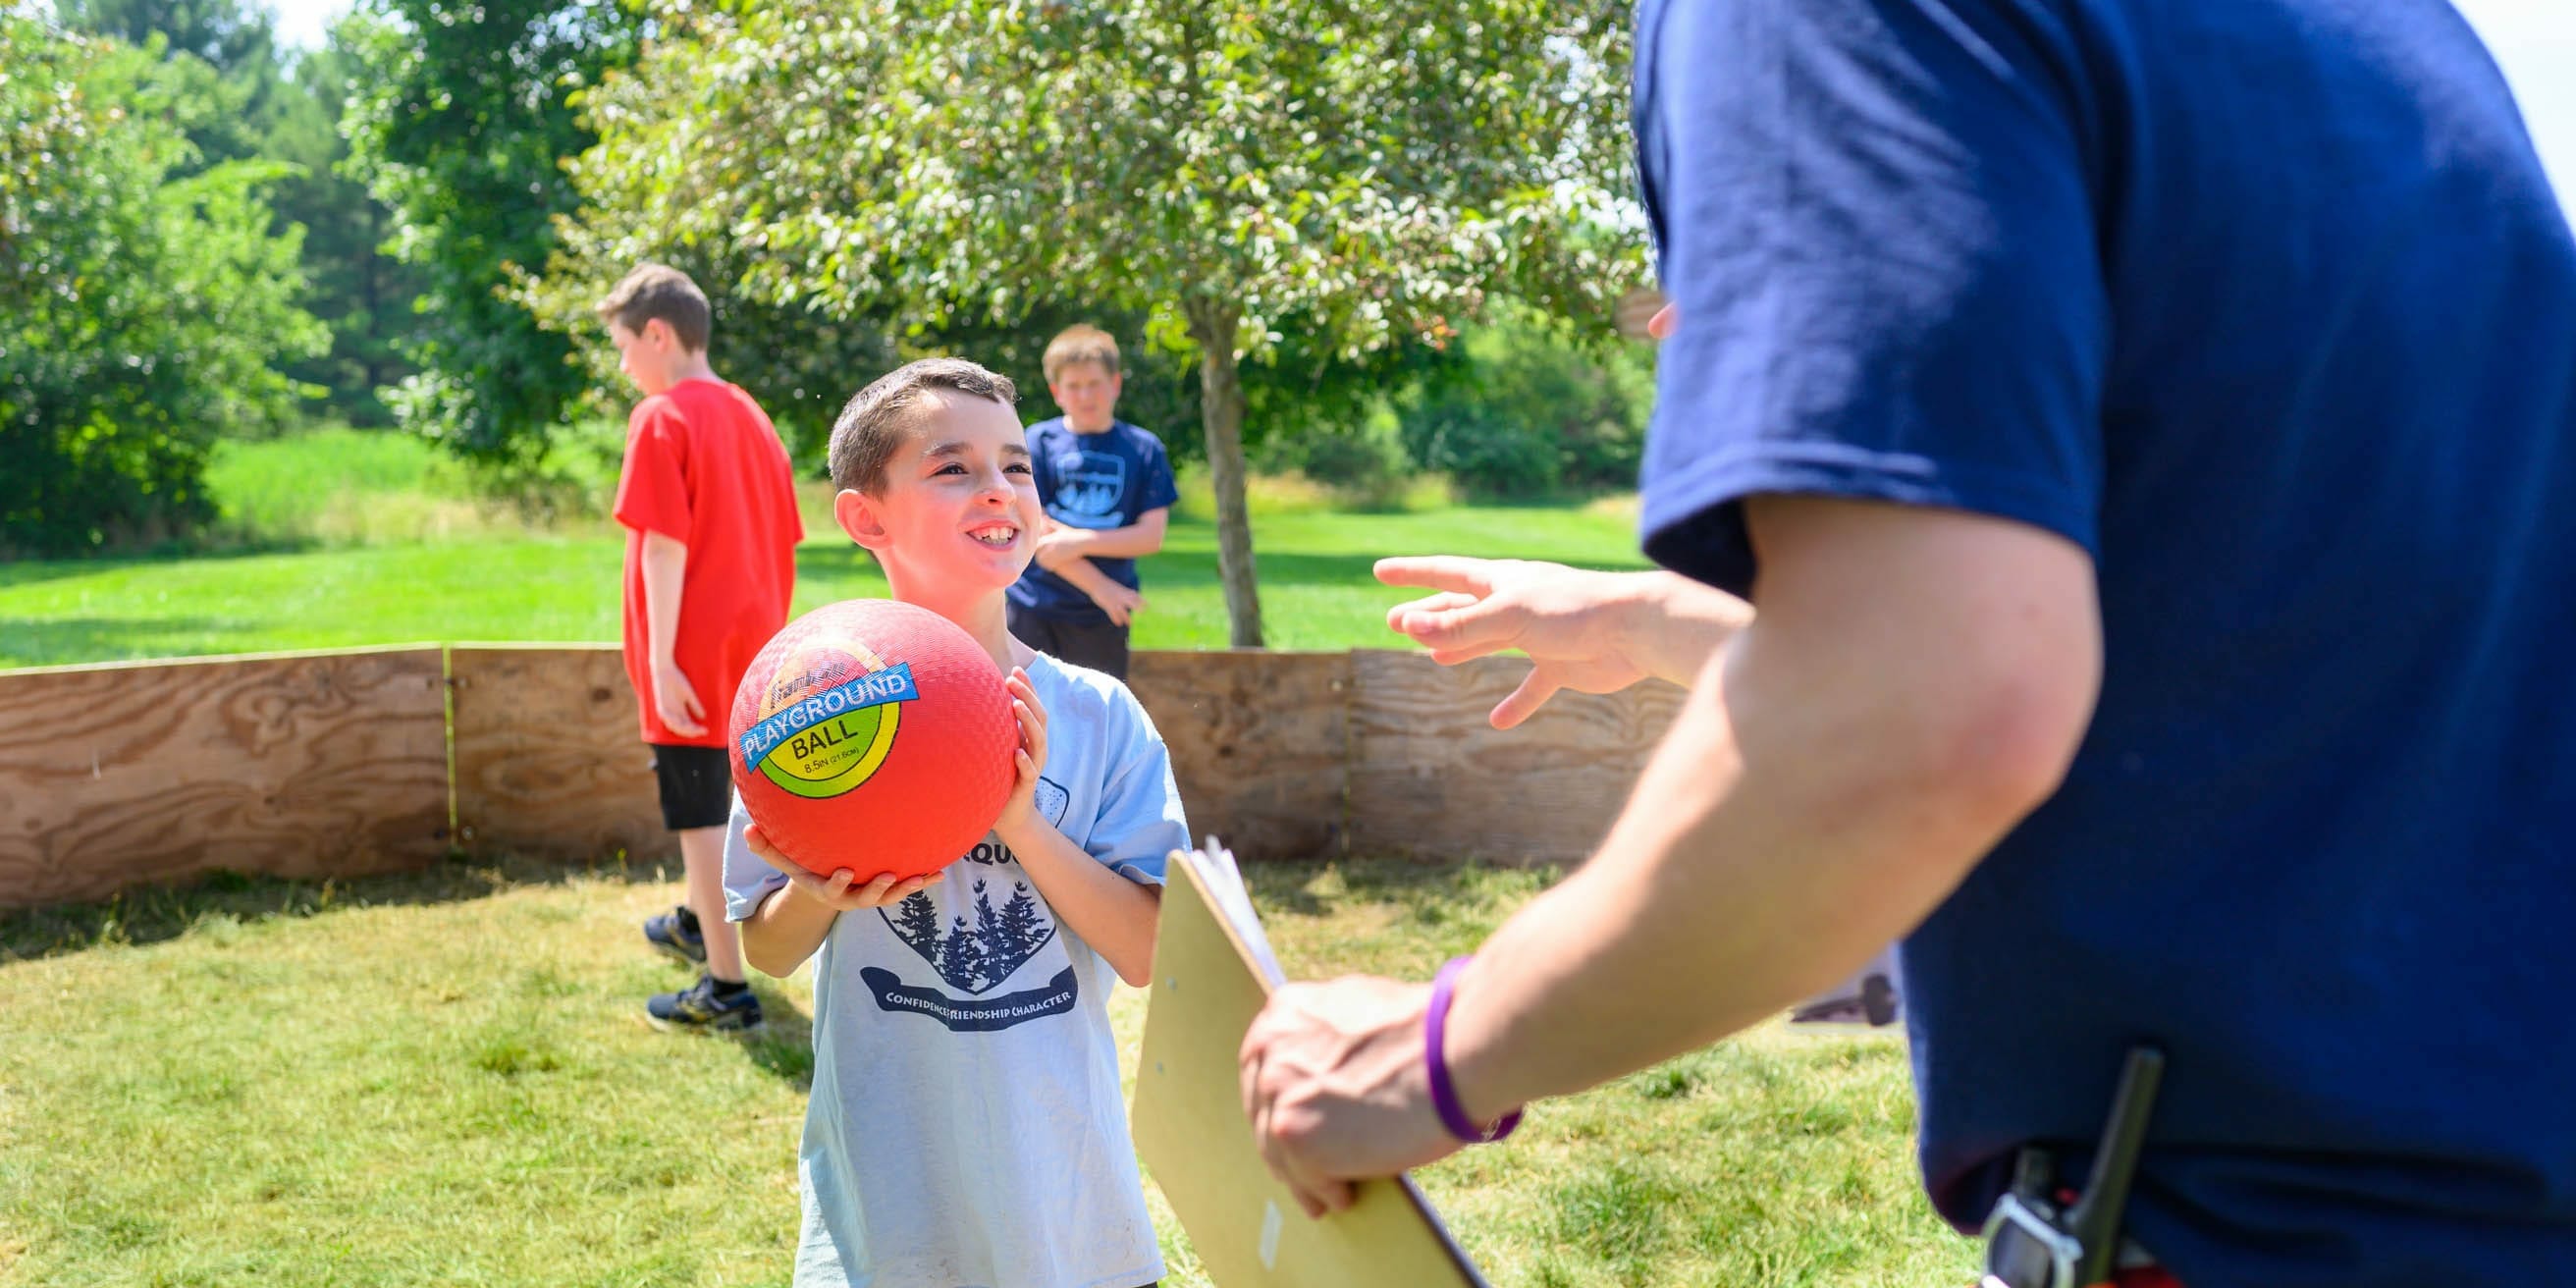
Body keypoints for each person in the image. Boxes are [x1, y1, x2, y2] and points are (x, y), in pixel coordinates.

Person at [1238, 2, 2576, 1286]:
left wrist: (1432, 1054)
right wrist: (1654, 619)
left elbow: (1926, 715)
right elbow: (2241, 640)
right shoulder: (2390, 34)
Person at [724, 358, 1183, 1288]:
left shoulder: (1098, 714)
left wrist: (1019, 817)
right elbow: (766, 952)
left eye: (1016, 465)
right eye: (952, 468)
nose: (999, 489)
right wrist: (818, 892)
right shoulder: (806, 707)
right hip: (889, 1206)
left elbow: (1150, 953)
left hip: (1066, 1201)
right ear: (865, 517)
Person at [600, 262, 805, 1032]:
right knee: (719, 791)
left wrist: (659, 660)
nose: (624, 365)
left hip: (688, 650)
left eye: (623, 347)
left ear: (658, 335)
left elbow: (662, 547)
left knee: (698, 812)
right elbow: (783, 538)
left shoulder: (662, 417)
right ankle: (697, 921)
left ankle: (726, 989)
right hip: (752, 646)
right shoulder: (751, 414)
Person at [1002, 325, 1179, 681]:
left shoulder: (1144, 449)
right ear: (1056, 392)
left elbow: (1150, 537)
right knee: (1020, 714)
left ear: (1115, 385)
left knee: (1097, 721)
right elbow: (1039, 535)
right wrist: (1100, 586)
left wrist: (1076, 540)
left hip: (1103, 616)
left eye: (1094, 384)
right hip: (1033, 605)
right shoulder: (1035, 444)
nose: (1085, 395)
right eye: (1073, 386)